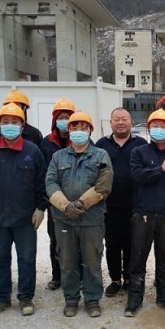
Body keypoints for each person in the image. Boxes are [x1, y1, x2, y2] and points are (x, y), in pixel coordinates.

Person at [0, 102, 48, 317]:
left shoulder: (32, 151)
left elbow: (41, 182)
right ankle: (0, 298)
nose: (10, 125)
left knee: (26, 258)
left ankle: (26, 297)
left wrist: (40, 208)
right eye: (5, 122)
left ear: (22, 126)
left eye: (14, 122)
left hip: (25, 217)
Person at [46, 111, 113, 317]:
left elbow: (104, 185)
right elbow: (50, 182)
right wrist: (65, 206)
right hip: (64, 219)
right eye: (74, 127)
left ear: (90, 130)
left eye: (83, 127)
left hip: (91, 220)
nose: (78, 131)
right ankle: (71, 300)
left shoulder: (100, 155)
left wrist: (81, 205)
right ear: (69, 131)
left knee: (92, 261)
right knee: (67, 261)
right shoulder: (58, 157)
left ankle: (92, 300)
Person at [124, 109, 165, 316]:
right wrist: (161, 168)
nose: (159, 129)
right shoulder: (139, 152)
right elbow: (138, 176)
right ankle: (134, 301)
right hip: (143, 214)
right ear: (149, 129)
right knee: (138, 258)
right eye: (155, 126)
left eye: (163, 126)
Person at [95, 108, 147, 296]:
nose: (120, 122)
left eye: (124, 119)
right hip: (109, 205)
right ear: (111, 123)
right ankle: (115, 279)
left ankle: (129, 278)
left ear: (131, 122)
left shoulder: (141, 144)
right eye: (116, 119)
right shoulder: (101, 145)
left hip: (135, 204)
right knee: (112, 244)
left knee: (133, 243)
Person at [40, 98, 76, 291]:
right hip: (54, 201)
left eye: (68, 117)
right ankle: (57, 276)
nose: (64, 121)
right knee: (56, 239)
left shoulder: (82, 140)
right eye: (61, 117)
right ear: (55, 120)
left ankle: (77, 275)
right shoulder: (46, 143)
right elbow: (42, 173)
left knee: (77, 239)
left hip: (78, 200)